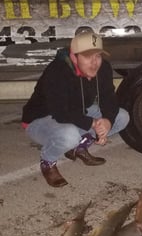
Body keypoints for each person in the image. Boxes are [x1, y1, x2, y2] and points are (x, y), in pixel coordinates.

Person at [22, 31, 129, 187]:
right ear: (74, 56)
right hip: (41, 119)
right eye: (87, 57)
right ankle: (48, 162)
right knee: (69, 135)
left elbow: (109, 98)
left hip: (77, 112)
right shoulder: (57, 71)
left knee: (122, 117)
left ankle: (79, 147)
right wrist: (93, 123)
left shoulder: (103, 68)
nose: (94, 63)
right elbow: (60, 112)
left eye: (98, 56)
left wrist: (107, 121)